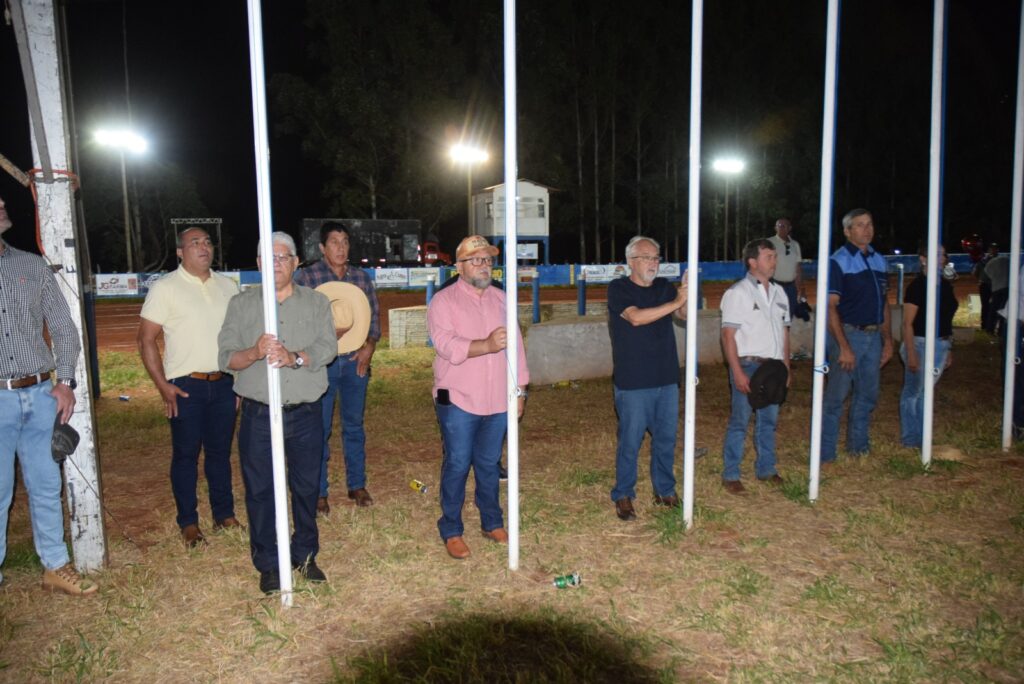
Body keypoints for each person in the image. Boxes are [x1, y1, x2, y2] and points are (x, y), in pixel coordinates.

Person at [217, 232, 337, 594]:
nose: (277, 264)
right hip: (258, 414)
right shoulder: (241, 305)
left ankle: (304, 556)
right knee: (260, 491)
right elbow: (225, 358)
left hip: (304, 413)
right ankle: (268, 563)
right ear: (257, 264)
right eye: (268, 258)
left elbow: (328, 347)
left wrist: (295, 357)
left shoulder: (316, 303)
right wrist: (254, 352)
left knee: (305, 486)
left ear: (296, 262)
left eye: (283, 257)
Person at [0, 194, 97, 595]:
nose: (3, 202)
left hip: (40, 393)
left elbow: (63, 326)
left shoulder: (29, 264)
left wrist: (67, 381)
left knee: (45, 485)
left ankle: (55, 565)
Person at [138, 227, 242, 548]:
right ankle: (189, 523)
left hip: (224, 383)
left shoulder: (229, 286)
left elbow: (239, 339)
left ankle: (224, 515)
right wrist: (163, 386)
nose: (203, 247)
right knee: (185, 457)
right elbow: (145, 339)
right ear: (180, 252)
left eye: (207, 242)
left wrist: (239, 383)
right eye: (194, 243)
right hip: (185, 387)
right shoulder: (165, 288)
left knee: (220, 455)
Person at [426, 235, 529, 559]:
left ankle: (491, 521)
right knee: (457, 462)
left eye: (488, 259)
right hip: (457, 398)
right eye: (477, 259)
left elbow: (518, 351)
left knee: (487, 463)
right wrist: (485, 344)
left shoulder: (502, 299)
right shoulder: (443, 302)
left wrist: (520, 389)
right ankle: (452, 528)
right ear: (459, 267)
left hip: (498, 398)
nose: (485, 265)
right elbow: (446, 344)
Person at [294, 222, 380, 512]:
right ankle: (319, 491)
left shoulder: (361, 278)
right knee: (319, 429)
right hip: (322, 363)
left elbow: (374, 320)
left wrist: (369, 346)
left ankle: (357, 484)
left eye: (344, 242)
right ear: (322, 247)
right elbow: (297, 322)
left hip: (355, 358)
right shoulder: (307, 277)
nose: (341, 248)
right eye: (334, 242)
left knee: (354, 426)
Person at [607, 235, 687, 521]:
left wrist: (686, 296)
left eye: (657, 257)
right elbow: (636, 318)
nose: (654, 263)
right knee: (631, 441)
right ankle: (624, 494)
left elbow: (684, 315)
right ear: (631, 261)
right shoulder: (619, 289)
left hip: (666, 377)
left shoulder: (665, 287)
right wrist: (676, 301)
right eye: (648, 257)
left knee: (666, 438)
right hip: (633, 381)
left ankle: (664, 489)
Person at [821, 208, 893, 462]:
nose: (867, 229)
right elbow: (830, 306)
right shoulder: (838, 261)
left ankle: (858, 447)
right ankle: (826, 454)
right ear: (847, 231)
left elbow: (883, 303)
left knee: (867, 395)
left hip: (873, 337)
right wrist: (843, 346)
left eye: (869, 223)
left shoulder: (879, 260)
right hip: (849, 333)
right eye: (860, 225)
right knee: (836, 398)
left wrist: (888, 340)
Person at [720, 239, 791, 493]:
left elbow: (784, 333)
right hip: (748, 366)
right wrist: (736, 371)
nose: (774, 261)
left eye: (775, 256)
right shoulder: (737, 293)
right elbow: (728, 336)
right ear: (753, 261)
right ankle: (731, 473)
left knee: (769, 421)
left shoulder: (780, 293)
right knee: (740, 420)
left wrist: (786, 368)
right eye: (769, 256)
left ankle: (766, 469)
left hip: (773, 368)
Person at [899, 244, 958, 448]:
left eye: (943, 254)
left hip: (940, 343)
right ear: (923, 259)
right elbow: (907, 323)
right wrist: (911, 352)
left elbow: (947, 320)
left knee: (926, 392)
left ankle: (922, 437)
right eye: (936, 254)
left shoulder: (945, 285)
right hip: (920, 343)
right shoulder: (917, 286)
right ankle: (912, 438)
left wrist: (948, 347)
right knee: (914, 392)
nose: (941, 258)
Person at [767, 218, 805, 318]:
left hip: (791, 288)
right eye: (779, 226)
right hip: (774, 286)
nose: (782, 228)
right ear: (775, 228)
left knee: (789, 316)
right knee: (774, 316)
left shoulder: (795, 245)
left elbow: (798, 267)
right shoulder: (769, 243)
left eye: (784, 226)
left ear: (790, 228)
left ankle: (785, 333)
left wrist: (800, 288)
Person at [974, 243, 999, 334]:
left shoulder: (984, 260)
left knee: (993, 306)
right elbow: (976, 272)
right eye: (992, 249)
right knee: (987, 306)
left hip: (994, 285)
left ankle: (989, 325)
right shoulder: (983, 261)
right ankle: (985, 325)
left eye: (995, 249)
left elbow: (976, 273)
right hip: (988, 285)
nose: (993, 251)